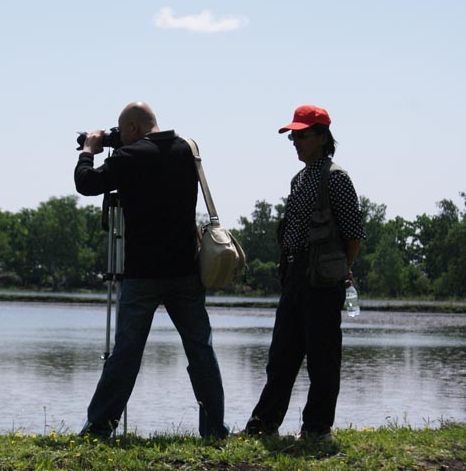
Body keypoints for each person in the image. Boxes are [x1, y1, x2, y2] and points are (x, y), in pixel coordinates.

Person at [74, 101, 229, 439]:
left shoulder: (129, 158)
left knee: (126, 354)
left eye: (121, 131)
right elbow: (152, 153)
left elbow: (85, 182)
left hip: (142, 274)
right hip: (186, 272)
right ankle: (215, 429)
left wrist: (89, 148)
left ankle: (100, 427)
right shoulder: (186, 150)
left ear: (131, 129)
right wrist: (117, 143)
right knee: (200, 349)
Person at [244, 105, 365, 442]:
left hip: (323, 280)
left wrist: (341, 270)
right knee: (281, 355)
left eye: (301, 134)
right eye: (293, 136)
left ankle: (316, 429)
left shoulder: (336, 177)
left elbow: (353, 235)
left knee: (323, 359)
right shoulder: (299, 178)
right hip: (295, 276)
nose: (295, 141)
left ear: (323, 137)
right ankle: (264, 425)